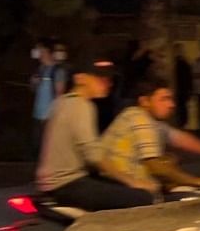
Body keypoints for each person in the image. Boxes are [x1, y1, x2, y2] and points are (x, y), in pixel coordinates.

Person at [36, 61, 155, 211]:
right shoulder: (81, 105)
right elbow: (93, 155)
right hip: (67, 184)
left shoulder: (61, 102)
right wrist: (132, 181)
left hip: (55, 184)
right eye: (100, 78)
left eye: (109, 79)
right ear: (80, 79)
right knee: (142, 197)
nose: (107, 84)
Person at [99, 77, 200, 194]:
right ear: (144, 101)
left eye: (171, 99)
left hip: (123, 183)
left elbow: (179, 138)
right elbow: (156, 167)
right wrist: (197, 181)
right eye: (164, 99)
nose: (171, 105)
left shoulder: (138, 116)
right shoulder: (140, 119)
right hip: (123, 187)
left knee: (177, 163)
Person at [31, 38, 67, 155]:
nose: (38, 54)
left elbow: (59, 94)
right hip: (38, 115)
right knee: (39, 148)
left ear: (47, 52)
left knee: (49, 150)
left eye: (40, 50)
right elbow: (34, 90)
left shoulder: (57, 71)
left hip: (50, 117)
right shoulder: (40, 69)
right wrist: (34, 83)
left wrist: (56, 116)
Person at [173, 43, 193, 128]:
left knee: (182, 107)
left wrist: (189, 89)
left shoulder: (182, 63)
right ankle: (182, 123)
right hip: (179, 88)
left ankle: (183, 124)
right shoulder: (179, 62)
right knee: (181, 107)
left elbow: (188, 77)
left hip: (182, 88)